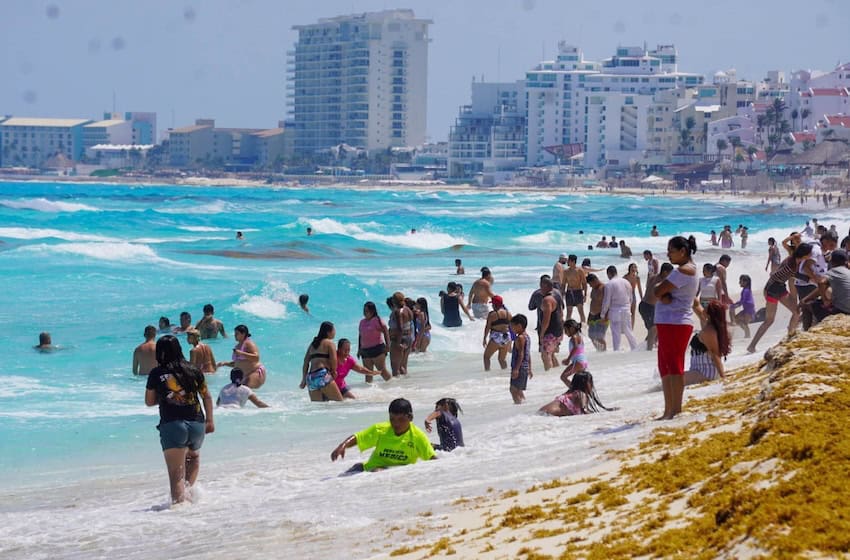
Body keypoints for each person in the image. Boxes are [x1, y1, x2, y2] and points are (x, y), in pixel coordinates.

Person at [144, 335, 214, 504]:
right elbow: (206, 396)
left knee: (176, 474)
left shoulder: (156, 373)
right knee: (193, 457)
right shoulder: (193, 370)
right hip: (196, 423)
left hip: (173, 425)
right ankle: (188, 495)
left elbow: (149, 401)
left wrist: (166, 396)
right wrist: (210, 421)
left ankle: (179, 508)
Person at [654, 235, 700, 420]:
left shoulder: (683, 270)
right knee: (665, 366)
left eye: (671, 251)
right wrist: (663, 294)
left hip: (676, 322)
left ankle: (675, 410)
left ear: (683, 251)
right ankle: (669, 410)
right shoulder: (686, 270)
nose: (668, 255)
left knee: (673, 365)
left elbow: (657, 290)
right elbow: (662, 292)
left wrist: (661, 293)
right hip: (670, 321)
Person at [330, 398, 436, 474]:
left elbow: (433, 459)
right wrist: (343, 446)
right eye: (392, 419)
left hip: (401, 473)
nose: (396, 424)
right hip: (371, 470)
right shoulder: (380, 430)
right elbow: (359, 438)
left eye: (400, 419)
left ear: (410, 418)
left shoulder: (418, 436)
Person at [747, 243, 813, 354]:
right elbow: (796, 276)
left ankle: (790, 337)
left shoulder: (792, 259)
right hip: (772, 290)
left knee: (796, 312)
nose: (812, 255)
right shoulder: (792, 265)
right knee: (769, 320)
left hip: (778, 287)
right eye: (810, 253)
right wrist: (813, 279)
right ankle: (752, 346)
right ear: (805, 255)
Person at [684, 301, 731, 386]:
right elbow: (697, 306)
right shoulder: (712, 326)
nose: (704, 307)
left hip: (705, 371)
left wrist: (723, 376)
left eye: (706, 306)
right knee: (671, 378)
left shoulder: (709, 331)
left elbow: (715, 354)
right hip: (699, 369)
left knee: (672, 380)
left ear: (709, 314)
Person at [801, 249, 850, 322]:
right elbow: (822, 287)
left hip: (843, 310)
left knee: (808, 306)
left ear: (832, 261)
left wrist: (825, 301)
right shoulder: (848, 272)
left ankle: (808, 328)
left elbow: (821, 282)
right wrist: (806, 298)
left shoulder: (833, 271)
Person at [300, 321, 343, 401]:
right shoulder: (329, 343)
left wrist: (303, 379)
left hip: (311, 378)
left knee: (319, 407)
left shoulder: (312, 344)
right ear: (328, 332)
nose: (335, 332)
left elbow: (306, 362)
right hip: (322, 375)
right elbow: (334, 360)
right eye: (334, 330)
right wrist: (334, 371)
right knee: (339, 403)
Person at [538, 371, 614, 416]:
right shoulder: (581, 394)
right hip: (548, 415)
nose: (592, 385)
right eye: (591, 382)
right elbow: (584, 410)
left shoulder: (572, 392)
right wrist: (601, 416)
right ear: (586, 383)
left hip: (542, 413)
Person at [215, 325, 266, 389]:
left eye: (237, 334)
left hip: (254, 372)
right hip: (245, 375)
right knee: (241, 392)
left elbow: (256, 358)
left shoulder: (249, 343)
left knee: (245, 391)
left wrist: (241, 353)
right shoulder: (238, 346)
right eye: (235, 334)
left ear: (243, 334)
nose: (235, 335)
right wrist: (225, 363)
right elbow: (238, 363)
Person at [602, 266, 637, 351]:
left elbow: (607, 301)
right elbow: (631, 298)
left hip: (615, 311)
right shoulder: (626, 282)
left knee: (616, 333)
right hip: (626, 309)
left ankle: (616, 351)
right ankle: (635, 349)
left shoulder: (609, 284)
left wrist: (603, 314)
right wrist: (628, 308)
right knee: (628, 331)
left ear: (609, 274)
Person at [640, 263, 673, 351]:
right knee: (653, 328)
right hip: (648, 306)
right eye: (670, 273)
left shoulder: (653, 277)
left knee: (656, 329)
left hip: (646, 305)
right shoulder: (661, 281)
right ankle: (648, 350)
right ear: (665, 272)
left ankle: (643, 347)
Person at [357, 301, 392, 382]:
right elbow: (360, 335)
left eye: (367, 311)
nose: (364, 313)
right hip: (365, 351)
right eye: (364, 311)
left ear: (372, 311)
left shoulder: (377, 320)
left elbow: (385, 331)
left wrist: (388, 345)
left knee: (382, 371)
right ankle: (369, 389)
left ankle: (393, 386)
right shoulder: (362, 322)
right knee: (368, 374)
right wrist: (359, 349)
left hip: (377, 349)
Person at [537, 275, 565, 370]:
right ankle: (556, 374)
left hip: (550, 332)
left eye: (541, 286)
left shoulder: (547, 300)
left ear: (545, 286)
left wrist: (542, 334)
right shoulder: (557, 295)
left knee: (545, 356)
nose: (540, 289)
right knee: (552, 354)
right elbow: (561, 313)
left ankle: (549, 375)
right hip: (558, 330)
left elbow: (546, 319)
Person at [482, 295, 512, 371]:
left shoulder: (492, 314)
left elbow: (487, 327)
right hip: (506, 337)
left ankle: (487, 373)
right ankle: (505, 373)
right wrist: (510, 343)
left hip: (497, 337)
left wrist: (484, 338)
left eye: (492, 304)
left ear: (495, 304)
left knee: (486, 357)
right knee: (502, 359)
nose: (492, 306)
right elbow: (512, 329)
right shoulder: (508, 314)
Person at [388, 292, 414, 377]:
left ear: (394, 301)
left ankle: (396, 384)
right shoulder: (408, 310)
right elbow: (410, 324)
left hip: (398, 339)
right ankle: (405, 383)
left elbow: (400, 328)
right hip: (408, 338)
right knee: (403, 366)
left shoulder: (398, 312)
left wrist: (398, 342)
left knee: (395, 368)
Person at [509, 314, 532, 404]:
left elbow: (521, 354)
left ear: (519, 326)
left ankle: (518, 405)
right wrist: (529, 368)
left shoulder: (520, 338)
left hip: (520, 367)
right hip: (524, 367)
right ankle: (524, 405)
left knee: (513, 389)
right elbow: (528, 354)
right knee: (519, 390)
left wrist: (516, 369)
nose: (511, 329)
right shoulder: (527, 336)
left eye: (512, 326)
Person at [559, 319, 587, 387]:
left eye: (566, 330)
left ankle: (574, 390)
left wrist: (568, 359)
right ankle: (579, 391)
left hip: (578, 362)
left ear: (571, 329)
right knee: (580, 381)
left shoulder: (574, 337)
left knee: (563, 377)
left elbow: (576, 347)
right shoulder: (578, 336)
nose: (565, 333)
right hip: (582, 361)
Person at [586, 273, 608, 352]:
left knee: (600, 337)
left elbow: (608, 303)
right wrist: (589, 315)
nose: (590, 286)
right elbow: (593, 302)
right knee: (591, 335)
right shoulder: (594, 288)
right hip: (592, 315)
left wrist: (606, 316)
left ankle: (604, 352)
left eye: (590, 284)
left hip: (601, 315)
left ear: (595, 280)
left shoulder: (604, 288)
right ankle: (599, 350)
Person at [563, 255, 587, 323]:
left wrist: (585, 295)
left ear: (573, 261)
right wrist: (562, 293)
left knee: (581, 311)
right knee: (569, 312)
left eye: (568, 261)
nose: (567, 262)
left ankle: (583, 326)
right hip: (569, 292)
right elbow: (563, 284)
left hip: (578, 292)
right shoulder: (566, 271)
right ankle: (567, 327)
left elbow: (584, 283)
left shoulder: (580, 271)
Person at [623, 262, 643, 329]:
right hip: (626, 296)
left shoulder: (637, 278)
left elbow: (639, 289)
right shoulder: (625, 277)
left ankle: (631, 328)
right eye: (632, 267)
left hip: (633, 295)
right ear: (629, 269)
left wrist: (642, 299)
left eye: (635, 267)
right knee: (626, 313)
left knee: (633, 312)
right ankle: (626, 327)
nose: (634, 269)